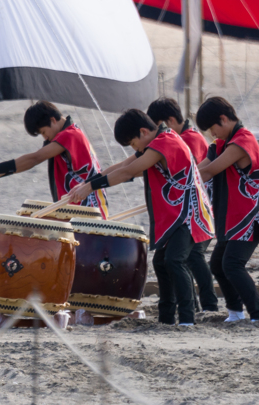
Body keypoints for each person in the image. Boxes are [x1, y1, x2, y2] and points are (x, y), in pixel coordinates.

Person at [68, 110, 215, 326]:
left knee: (175, 261)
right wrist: (88, 182)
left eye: (133, 144)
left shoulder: (165, 142)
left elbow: (129, 173)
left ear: (143, 132)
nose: (135, 149)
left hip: (189, 214)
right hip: (177, 215)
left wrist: (91, 187)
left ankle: (187, 318)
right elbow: (123, 166)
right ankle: (166, 317)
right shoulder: (155, 143)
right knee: (161, 262)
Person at [196, 97, 259, 323]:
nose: (213, 135)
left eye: (213, 129)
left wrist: (186, 183)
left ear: (223, 119)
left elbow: (210, 171)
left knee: (232, 264)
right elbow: (201, 167)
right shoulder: (223, 142)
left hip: (252, 213)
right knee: (218, 265)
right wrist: (182, 181)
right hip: (234, 214)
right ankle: (235, 312)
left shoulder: (243, 141)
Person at [146, 97, 218, 313]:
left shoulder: (189, 139)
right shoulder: (178, 137)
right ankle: (192, 306)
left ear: (168, 121)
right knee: (179, 258)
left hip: (201, 209)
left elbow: (192, 176)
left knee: (192, 255)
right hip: (187, 210)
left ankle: (208, 305)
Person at [0, 100, 109, 217]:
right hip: (86, 209)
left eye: (43, 132)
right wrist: (0, 174)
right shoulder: (73, 131)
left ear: (53, 120)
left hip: (87, 210)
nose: (45, 138)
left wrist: (0, 169)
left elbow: (35, 158)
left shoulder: (69, 135)